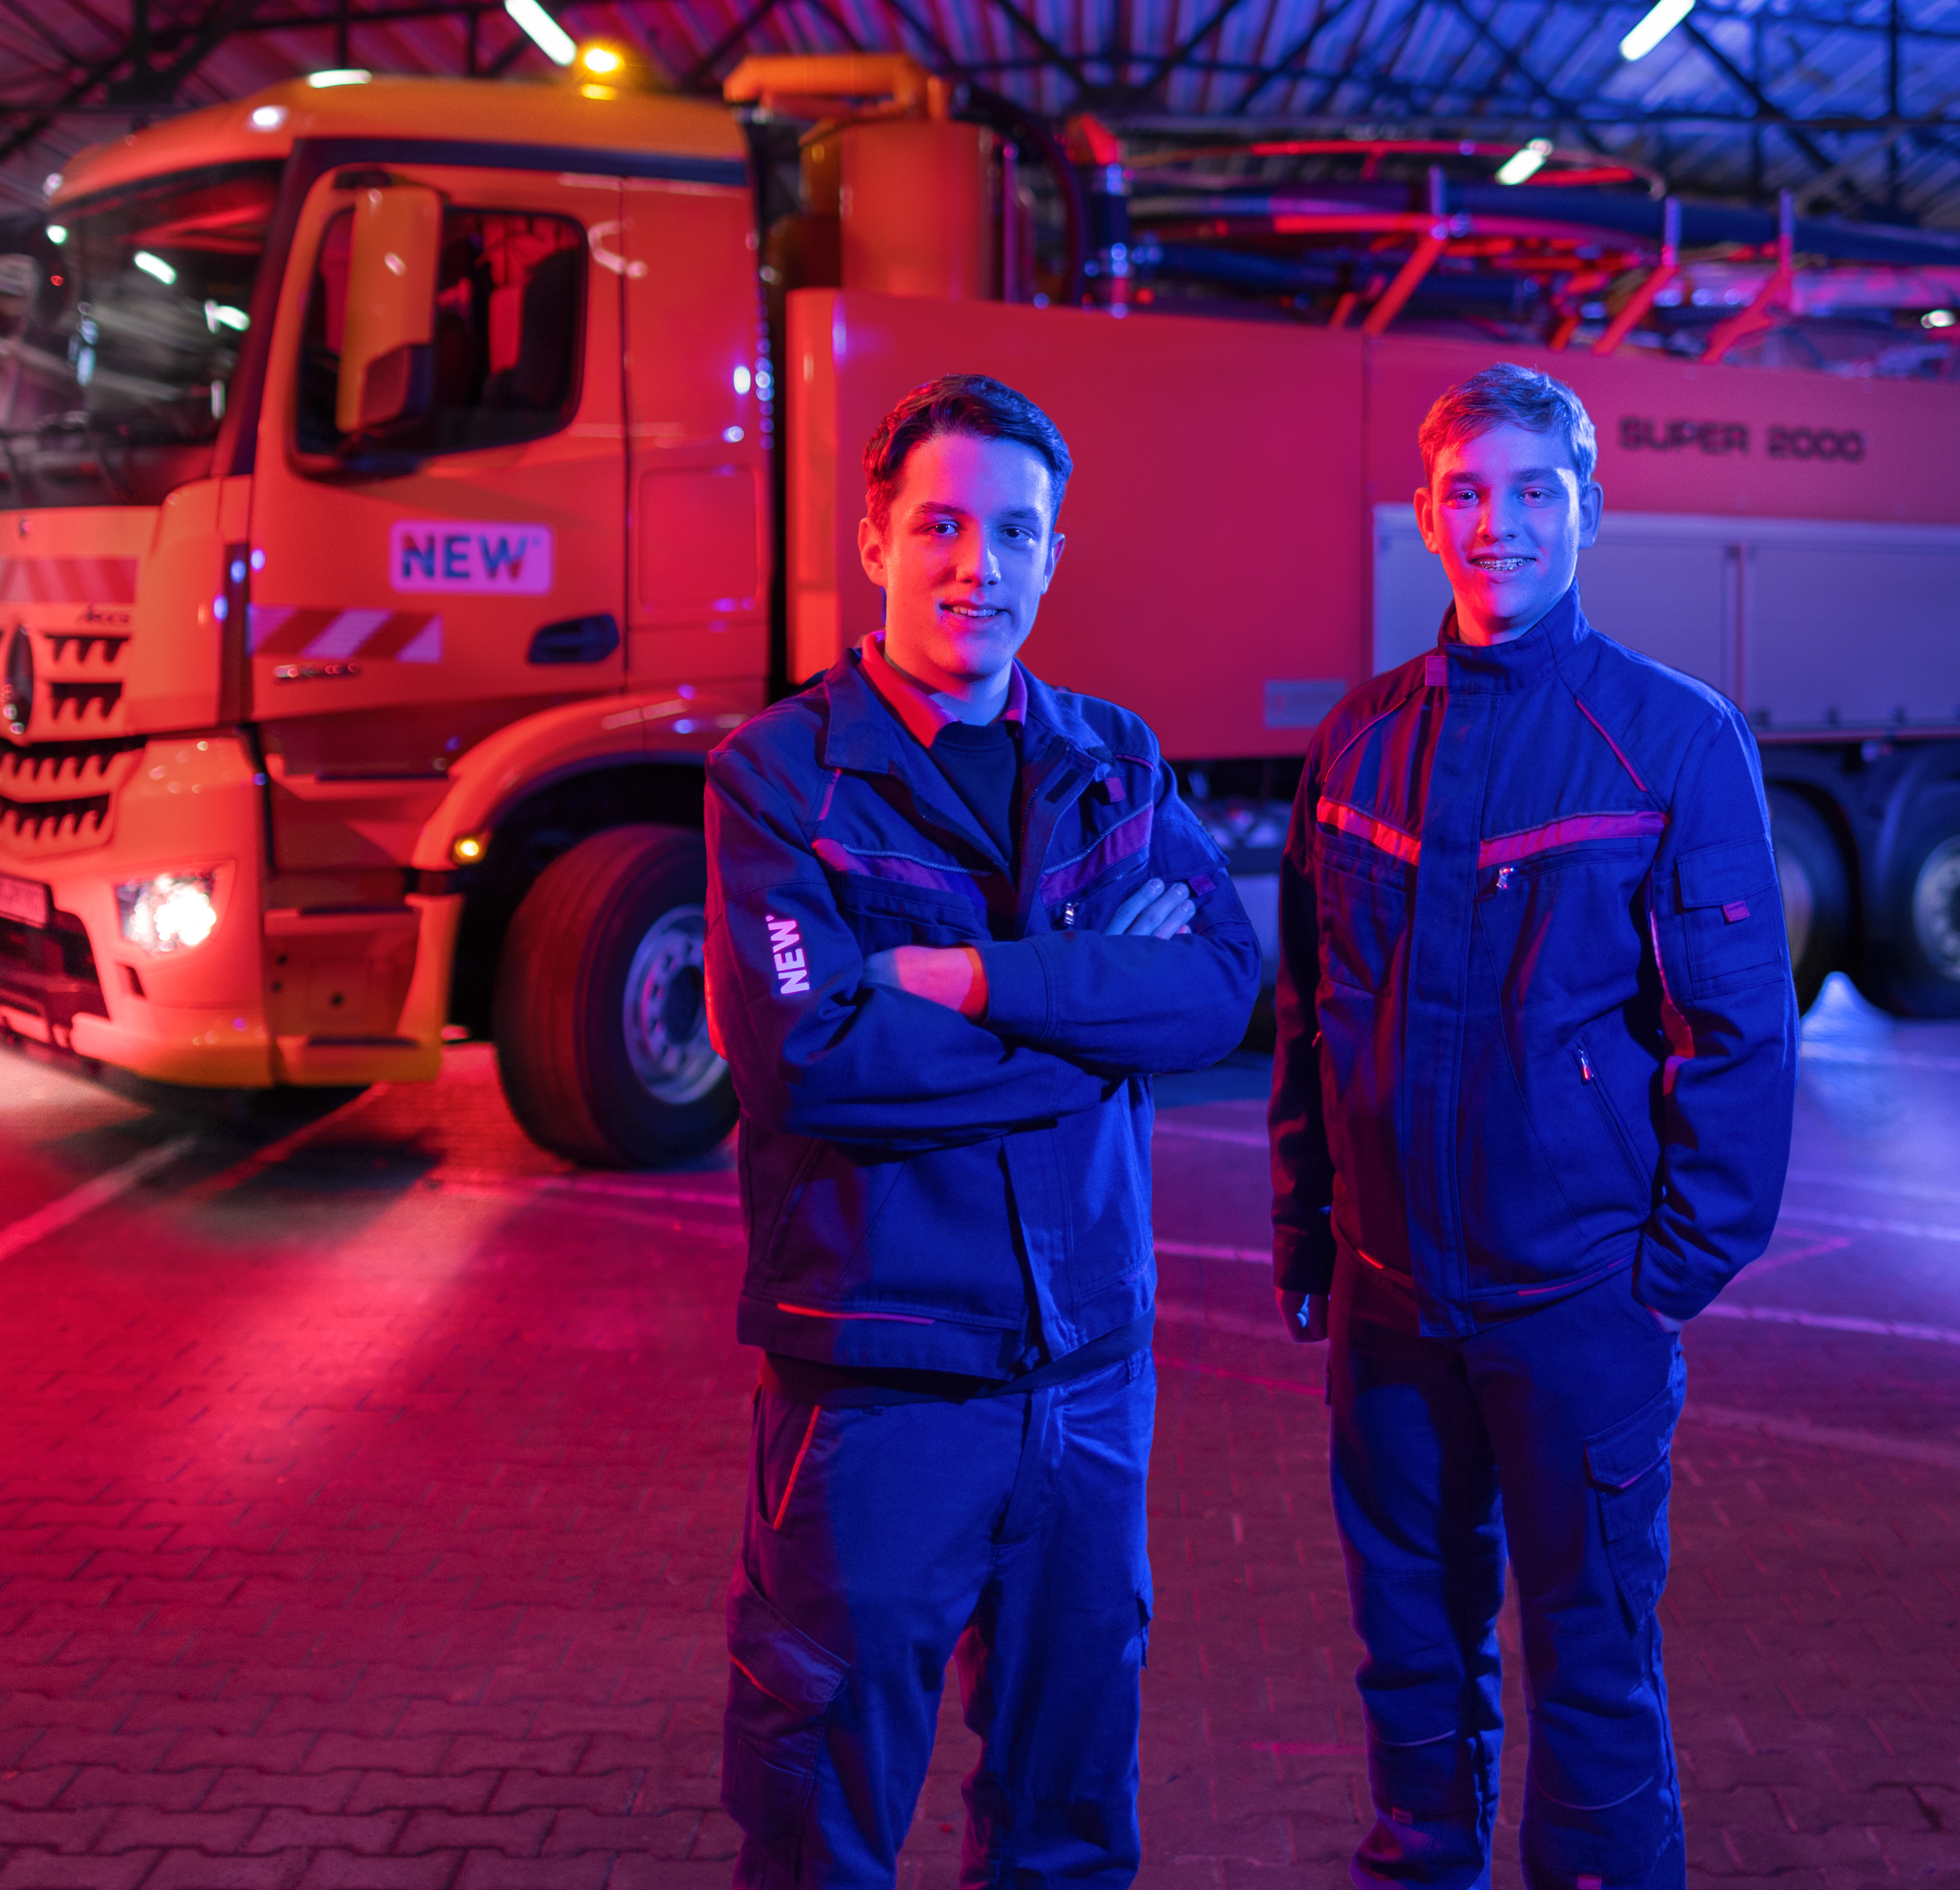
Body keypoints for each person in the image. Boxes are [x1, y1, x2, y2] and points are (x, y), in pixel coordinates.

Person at [706, 372, 1263, 1890]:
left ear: (1053, 554)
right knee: (824, 1806)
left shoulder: (1113, 759)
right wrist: (1095, 1027)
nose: (979, 566)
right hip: (883, 1387)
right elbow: (810, 1058)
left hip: (1089, 1384)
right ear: (876, 536)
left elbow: (1220, 988)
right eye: (942, 526)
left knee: (1069, 1819)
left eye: (1015, 532)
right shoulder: (781, 777)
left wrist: (968, 984)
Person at [1268, 362, 1801, 1890]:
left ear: (1589, 510)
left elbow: (1742, 1031)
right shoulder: (1358, 742)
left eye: (1533, 490)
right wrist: (1313, 1228)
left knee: (1594, 1675)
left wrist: (1668, 1274)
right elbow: (1312, 1018)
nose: (1498, 523)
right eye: (1467, 493)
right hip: (1387, 1305)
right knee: (1412, 1669)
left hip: (1576, 1306)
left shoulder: (1673, 742)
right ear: (1426, 517)